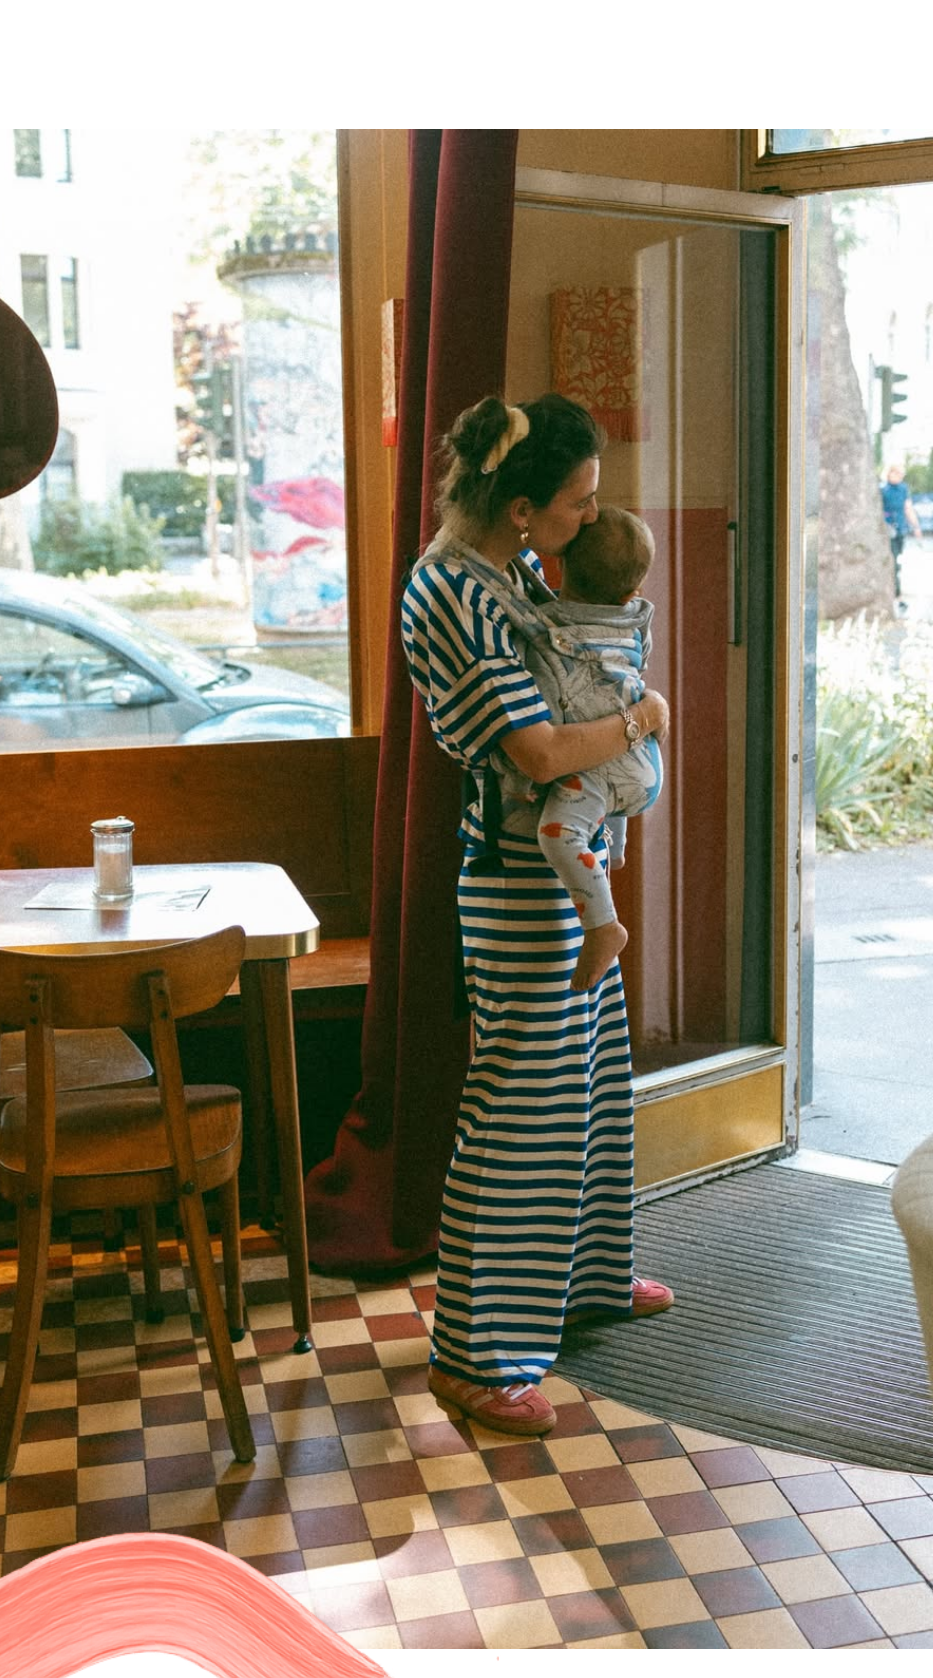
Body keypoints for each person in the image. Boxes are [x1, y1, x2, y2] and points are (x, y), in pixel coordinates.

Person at [392, 393, 678, 1439]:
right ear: (521, 506)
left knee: (592, 1082)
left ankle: (587, 1278)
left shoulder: (504, 572)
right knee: (518, 1111)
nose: (591, 520)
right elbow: (539, 753)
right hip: (516, 879)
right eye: (579, 502)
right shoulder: (448, 595)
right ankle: (478, 1351)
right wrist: (642, 718)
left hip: (561, 864)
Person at [501, 507, 661, 992]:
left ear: (560, 568)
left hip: (590, 771)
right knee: (601, 808)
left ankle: (603, 926)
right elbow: (637, 680)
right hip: (641, 765)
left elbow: (545, 714)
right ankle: (614, 850)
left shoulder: (546, 633)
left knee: (557, 835)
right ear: (631, 592)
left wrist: (523, 779)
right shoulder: (638, 621)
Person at [879, 463, 909, 609]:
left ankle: (897, 594)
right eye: (894, 473)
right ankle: (897, 595)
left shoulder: (903, 488)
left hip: (900, 529)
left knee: (898, 562)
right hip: (888, 530)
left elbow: (907, 507)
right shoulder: (882, 489)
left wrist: (915, 526)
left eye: (899, 473)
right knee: (893, 564)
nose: (897, 476)